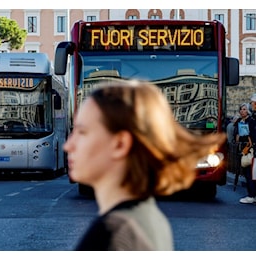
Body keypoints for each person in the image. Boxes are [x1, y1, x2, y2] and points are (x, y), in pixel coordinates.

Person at [63, 80, 225, 250]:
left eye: (82, 132)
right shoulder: (148, 218)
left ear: (120, 144)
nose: (68, 145)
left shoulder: (112, 234)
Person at [234, 102, 256, 204]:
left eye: (244, 109)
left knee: (249, 172)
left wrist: (242, 136)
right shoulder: (238, 121)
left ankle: (252, 195)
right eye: (241, 109)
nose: (242, 111)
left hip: (249, 149)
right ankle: (251, 194)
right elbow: (236, 135)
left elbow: (250, 135)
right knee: (247, 172)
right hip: (242, 149)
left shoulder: (251, 121)